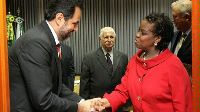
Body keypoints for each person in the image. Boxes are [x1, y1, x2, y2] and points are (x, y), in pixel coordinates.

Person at [9, 0, 96, 112]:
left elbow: (57, 86)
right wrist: (78, 108)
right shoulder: (36, 42)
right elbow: (43, 100)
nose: (76, 29)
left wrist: (83, 102)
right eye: (75, 23)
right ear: (60, 18)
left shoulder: (47, 39)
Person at [94, 13, 192, 112]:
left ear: (157, 38)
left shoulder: (174, 66)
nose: (137, 34)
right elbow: (123, 91)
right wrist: (106, 101)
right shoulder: (134, 61)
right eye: (138, 30)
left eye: (143, 33)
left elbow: (183, 107)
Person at [79, 27, 128, 111]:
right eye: (106, 37)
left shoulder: (123, 57)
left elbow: (126, 82)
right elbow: (84, 86)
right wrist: (85, 105)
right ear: (100, 39)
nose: (109, 40)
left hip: (117, 105)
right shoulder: (89, 58)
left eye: (111, 37)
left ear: (115, 39)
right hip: (97, 105)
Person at [170, 0, 192, 76]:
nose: (173, 20)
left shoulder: (197, 37)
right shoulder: (175, 35)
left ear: (187, 17)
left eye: (175, 17)